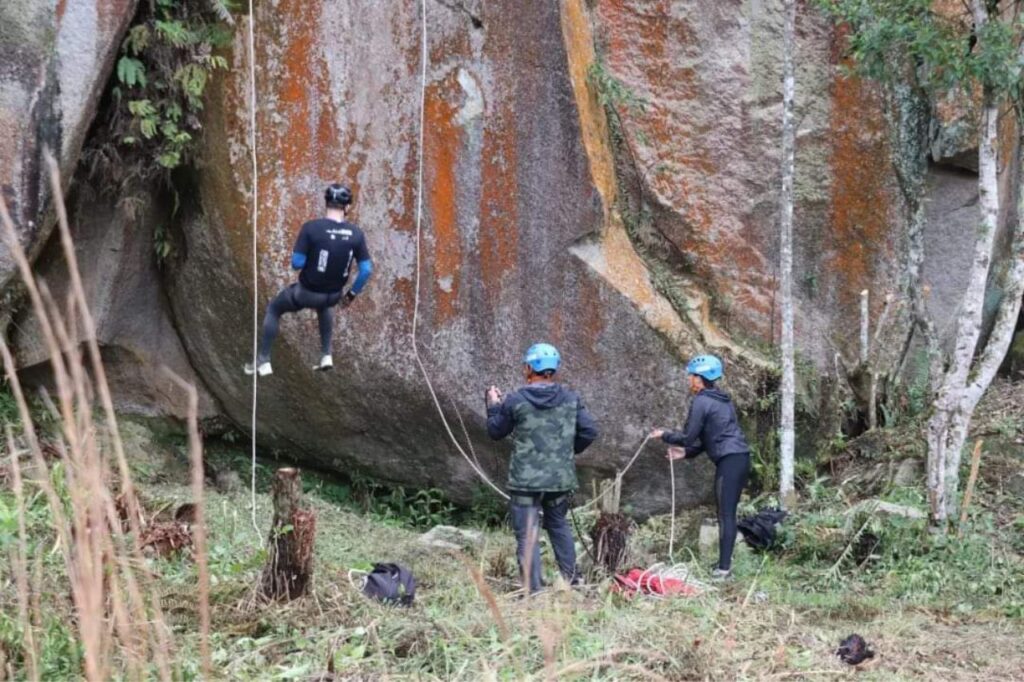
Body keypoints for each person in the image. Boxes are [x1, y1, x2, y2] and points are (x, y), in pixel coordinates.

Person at [486, 343, 598, 594]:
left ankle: (533, 589)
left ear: (529, 368)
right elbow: (590, 431)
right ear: (553, 370)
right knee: (558, 524)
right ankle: (573, 581)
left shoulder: (516, 400)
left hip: (525, 482)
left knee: (527, 533)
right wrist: (567, 453)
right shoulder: (571, 399)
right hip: (559, 480)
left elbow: (495, 431)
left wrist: (493, 405)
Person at [244, 184, 373, 376]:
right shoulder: (356, 234)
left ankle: (263, 360)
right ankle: (326, 354)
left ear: (326, 203)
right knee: (325, 306)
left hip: (305, 294)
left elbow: (297, 263)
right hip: (333, 296)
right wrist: (351, 295)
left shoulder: (312, 228)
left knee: (274, 308)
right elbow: (366, 270)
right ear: (347, 207)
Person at [650, 354, 751, 580]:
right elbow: (708, 440)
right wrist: (685, 453)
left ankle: (724, 570)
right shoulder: (722, 400)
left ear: (700, 378)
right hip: (739, 458)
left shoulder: (702, 401)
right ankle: (723, 565)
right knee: (727, 513)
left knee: (726, 514)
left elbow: (688, 436)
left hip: (730, 461)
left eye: (692, 376)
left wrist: (663, 435)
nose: (689, 380)